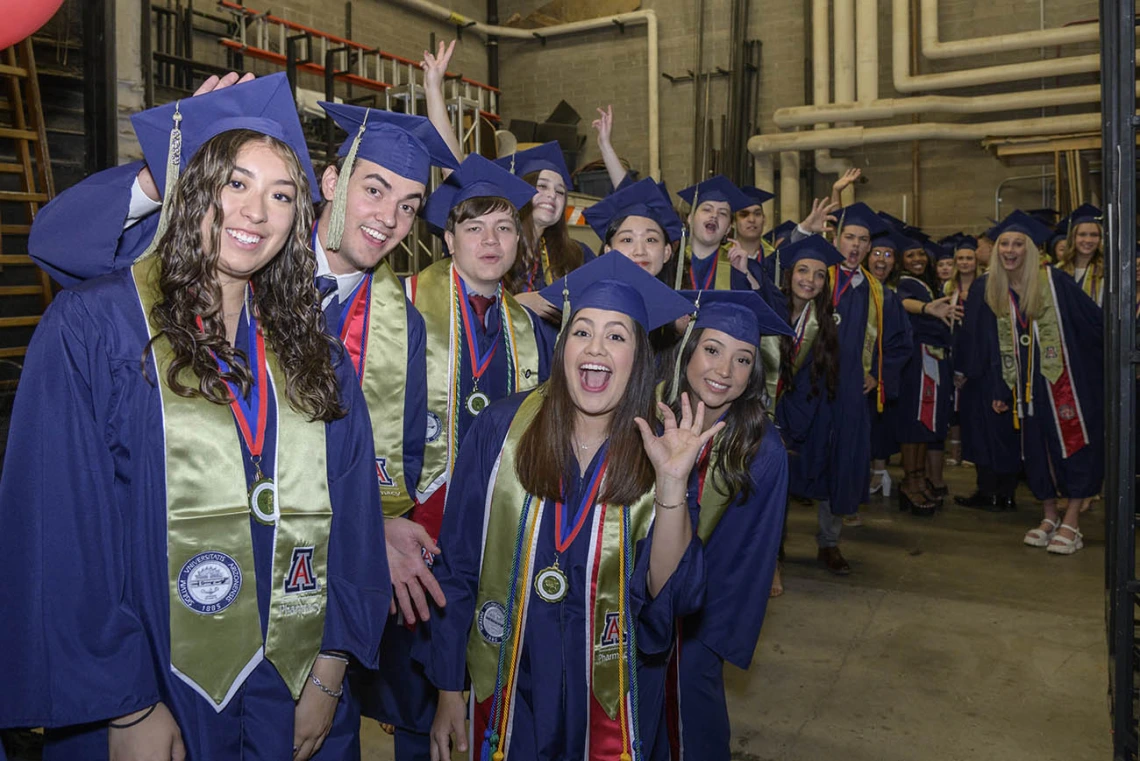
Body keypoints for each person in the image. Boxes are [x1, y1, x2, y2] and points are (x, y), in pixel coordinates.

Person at [0, 88, 390, 760]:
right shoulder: (99, 327)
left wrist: (331, 669)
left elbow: (354, 516)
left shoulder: (311, 349)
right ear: (193, 189)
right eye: (234, 182)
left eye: (280, 195)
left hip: (292, 688)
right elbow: (61, 526)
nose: (254, 212)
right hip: (154, 683)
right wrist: (123, 705)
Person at [420, 254, 709, 760]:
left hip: (610, 692)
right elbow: (459, 563)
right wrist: (448, 688)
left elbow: (670, 598)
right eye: (582, 332)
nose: (596, 348)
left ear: (639, 357)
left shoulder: (662, 449)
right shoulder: (501, 430)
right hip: (511, 679)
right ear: (562, 346)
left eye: (617, 336)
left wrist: (672, 485)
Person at [661, 290, 792, 761]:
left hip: (697, 621)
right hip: (628, 605)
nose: (723, 371)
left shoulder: (762, 451)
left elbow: (747, 557)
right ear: (689, 350)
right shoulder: (653, 419)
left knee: (693, 725)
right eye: (712, 350)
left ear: (754, 372)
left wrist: (700, 635)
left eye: (742, 360)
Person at [407, 154, 558, 541]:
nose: (491, 241)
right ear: (449, 240)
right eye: (475, 228)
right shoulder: (403, 306)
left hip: (500, 508)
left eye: (504, 227)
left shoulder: (531, 329)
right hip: (414, 509)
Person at [982, 211, 1103, 553]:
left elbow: (1094, 324)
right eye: (1004, 243)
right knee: (1036, 451)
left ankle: (1073, 520)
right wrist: (1002, 387)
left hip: (1065, 383)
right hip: (1028, 388)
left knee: (1073, 447)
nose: (1010, 249)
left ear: (1031, 250)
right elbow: (998, 344)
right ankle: (1049, 514)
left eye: (1018, 243)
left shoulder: (1054, 281)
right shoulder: (998, 288)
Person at [817, 202, 911, 572]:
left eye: (863, 239)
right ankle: (775, 547)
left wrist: (880, 374)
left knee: (842, 463)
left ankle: (829, 541)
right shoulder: (815, 277)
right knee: (801, 463)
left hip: (852, 397)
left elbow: (901, 343)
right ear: (836, 238)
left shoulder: (879, 294)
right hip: (811, 392)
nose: (855, 246)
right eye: (850, 237)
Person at [772, 236, 844, 587]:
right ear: (789, 274)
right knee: (773, 483)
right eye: (803, 271)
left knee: (820, 468)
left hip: (810, 407)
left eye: (819, 275)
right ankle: (774, 551)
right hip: (771, 409)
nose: (809, 281)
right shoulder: (771, 308)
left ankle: (828, 543)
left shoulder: (825, 320)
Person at [894, 238, 962, 515]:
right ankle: (910, 481)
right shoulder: (903, 282)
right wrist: (926, 308)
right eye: (910, 254)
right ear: (902, 260)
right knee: (914, 422)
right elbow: (902, 302)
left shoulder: (928, 283)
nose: (917, 259)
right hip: (917, 359)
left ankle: (920, 478)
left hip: (933, 358)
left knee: (925, 423)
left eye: (921, 253)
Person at [865, 230, 906, 501]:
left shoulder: (890, 298)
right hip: (851, 374)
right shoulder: (853, 289)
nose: (882, 259)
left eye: (888, 254)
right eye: (877, 253)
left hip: (875, 376)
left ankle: (879, 472)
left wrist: (878, 374)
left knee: (878, 425)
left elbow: (902, 343)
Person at [1055, 204, 1104, 307]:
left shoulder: (1105, 272)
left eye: (1094, 235)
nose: (1088, 240)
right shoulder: (1058, 270)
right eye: (1082, 234)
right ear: (1073, 237)